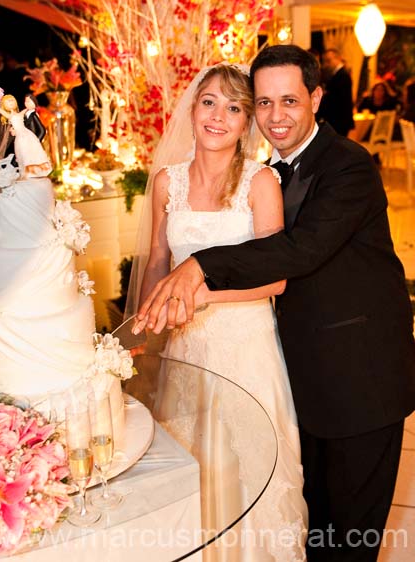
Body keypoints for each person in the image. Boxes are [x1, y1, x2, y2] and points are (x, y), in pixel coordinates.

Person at [136, 45, 415, 562]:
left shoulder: (348, 165)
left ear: (316, 97)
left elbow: (298, 251)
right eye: (263, 103)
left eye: (289, 100)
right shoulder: (271, 170)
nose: (276, 116)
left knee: (350, 532)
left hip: (360, 374)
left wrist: (199, 266)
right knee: (306, 518)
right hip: (297, 370)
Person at [131, 63, 308, 560]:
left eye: (234, 108)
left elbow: (275, 279)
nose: (218, 116)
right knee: (194, 469)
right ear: (193, 107)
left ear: (247, 121)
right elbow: (160, 261)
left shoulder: (260, 182)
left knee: (252, 473)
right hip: (187, 353)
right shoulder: (167, 182)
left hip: (246, 350)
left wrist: (198, 297)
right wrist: (149, 317)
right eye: (209, 102)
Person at [0, 93, 51, 178]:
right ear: (5, 105)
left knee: (33, 154)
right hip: (20, 136)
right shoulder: (9, 115)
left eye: (12, 100)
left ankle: (35, 172)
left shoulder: (21, 113)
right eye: (8, 102)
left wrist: (31, 103)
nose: (11, 102)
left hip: (28, 134)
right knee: (23, 154)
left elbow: (29, 108)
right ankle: (24, 172)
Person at [317, 47, 354, 137]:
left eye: (328, 60)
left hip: (339, 120)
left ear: (336, 58)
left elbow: (337, 100)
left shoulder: (342, 75)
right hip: (340, 120)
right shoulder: (340, 74)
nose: (326, 64)